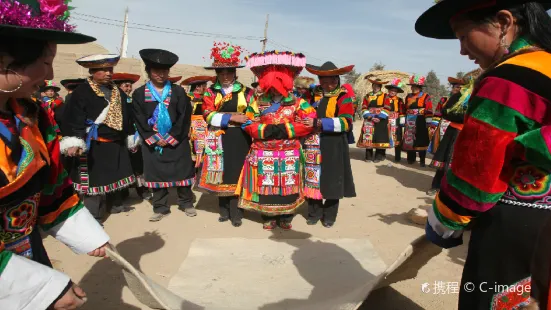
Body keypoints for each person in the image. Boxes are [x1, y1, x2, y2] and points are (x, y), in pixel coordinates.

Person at [415, 1, 551, 309]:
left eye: (463, 36)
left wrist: (445, 220)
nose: (462, 50)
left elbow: (478, 172)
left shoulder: (509, 78)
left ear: (504, 22)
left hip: (522, 223)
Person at [0, 1, 109, 308]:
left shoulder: (34, 117)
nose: (49, 73)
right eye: (45, 61)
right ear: (5, 60)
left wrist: (87, 234)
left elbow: (54, 187)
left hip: (28, 251)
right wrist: (38, 288)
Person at [237, 51, 315, 230]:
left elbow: (309, 122)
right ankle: (268, 216)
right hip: (263, 151)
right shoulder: (258, 101)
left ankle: (287, 216)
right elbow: (248, 122)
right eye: (271, 84)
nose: (274, 88)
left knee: (289, 183)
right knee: (267, 182)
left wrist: (285, 129)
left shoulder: (298, 102)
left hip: (289, 151)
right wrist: (265, 130)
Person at [61, 54, 136, 221]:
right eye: (103, 70)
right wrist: (75, 140)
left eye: (110, 70)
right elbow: (73, 117)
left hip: (115, 142)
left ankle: (115, 204)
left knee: (114, 175)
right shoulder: (82, 92)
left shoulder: (117, 91)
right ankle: (93, 217)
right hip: (94, 143)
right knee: (95, 182)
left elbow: (127, 114)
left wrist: (129, 134)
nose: (108, 73)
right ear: (92, 72)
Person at [132, 49, 196, 222]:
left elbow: (184, 116)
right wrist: (154, 138)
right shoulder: (139, 94)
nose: (161, 74)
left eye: (164, 71)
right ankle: (160, 207)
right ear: (148, 72)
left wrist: (170, 138)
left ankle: (186, 202)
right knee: (156, 173)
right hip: (152, 142)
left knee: (183, 171)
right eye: (156, 71)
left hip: (177, 140)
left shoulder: (178, 92)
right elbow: (138, 118)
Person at [197, 42, 254, 227]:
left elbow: (251, 115)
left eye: (229, 72)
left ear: (235, 73)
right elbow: (207, 114)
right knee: (219, 172)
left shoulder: (247, 92)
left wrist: (238, 119)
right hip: (217, 138)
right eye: (221, 73)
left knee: (236, 173)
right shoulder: (211, 92)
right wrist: (231, 117)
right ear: (217, 74)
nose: (225, 76)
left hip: (239, 139)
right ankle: (223, 210)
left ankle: (236, 212)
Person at [303, 61, 357, 228]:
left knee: (333, 179)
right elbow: (302, 110)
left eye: (331, 81)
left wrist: (319, 123)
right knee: (313, 178)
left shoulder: (343, 96)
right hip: (313, 142)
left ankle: (329, 215)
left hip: (334, 143)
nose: (327, 84)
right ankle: (314, 212)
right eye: (323, 81)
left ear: (337, 79)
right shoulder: (312, 95)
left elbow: (346, 122)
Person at [426, 74, 475, 196]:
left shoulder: (476, 99)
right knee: (444, 160)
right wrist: (463, 118)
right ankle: (436, 186)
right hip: (453, 132)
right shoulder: (456, 97)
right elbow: (445, 112)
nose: (459, 89)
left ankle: (452, 190)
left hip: (468, 134)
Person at [112, 72, 153, 201]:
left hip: (135, 137)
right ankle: (123, 192)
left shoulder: (133, 101)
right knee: (123, 166)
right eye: (126, 86)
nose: (128, 89)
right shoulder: (113, 102)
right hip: (120, 138)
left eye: (130, 86)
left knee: (138, 165)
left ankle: (143, 190)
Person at [181, 75, 216, 167]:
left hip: (206, 129)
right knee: (193, 151)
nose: (205, 88)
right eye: (203, 85)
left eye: (203, 85)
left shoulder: (207, 98)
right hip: (192, 129)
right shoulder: (188, 98)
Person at [401, 74, 434, 167]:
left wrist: (428, 122)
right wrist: (403, 118)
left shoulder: (425, 96)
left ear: (419, 87)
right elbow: (404, 108)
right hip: (409, 120)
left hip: (421, 120)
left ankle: (422, 160)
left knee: (421, 139)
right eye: (412, 86)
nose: (413, 88)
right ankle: (410, 158)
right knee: (409, 139)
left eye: (415, 86)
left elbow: (429, 109)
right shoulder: (408, 96)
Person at [356, 77, 390, 162]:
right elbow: (364, 107)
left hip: (381, 119)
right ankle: (368, 156)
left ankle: (379, 156)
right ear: (372, 86)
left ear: (380, 86)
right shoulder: (367, 96)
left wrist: (379, 117)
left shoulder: (385, 96)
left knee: (379, 137)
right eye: (374, 85)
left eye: (378, 85)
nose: (376, 87)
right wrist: (370, 117)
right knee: (368, 136)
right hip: (369, 118)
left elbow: (387, 108)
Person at [383, 78, 406, 161]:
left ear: (397, 92)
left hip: (396, 120)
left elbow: (402, 110)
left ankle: (397, 157)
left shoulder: (399, 100)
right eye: (391, 90)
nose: (392, 92)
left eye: (394, 91)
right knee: (385, 135)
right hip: (386, 118)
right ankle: (382, 154)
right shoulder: (384, 98)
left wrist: (402, 118)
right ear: (389, 90)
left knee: (397, 137)